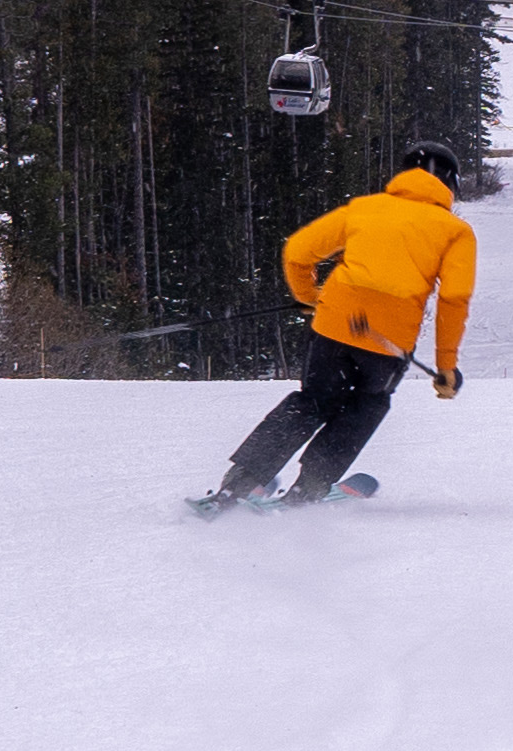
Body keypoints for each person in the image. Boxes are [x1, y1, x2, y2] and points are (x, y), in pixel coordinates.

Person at [197, 159, 476, 510]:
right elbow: (454, 298)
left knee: (310, 402)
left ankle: (235, 487)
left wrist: (310, 299)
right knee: (364, 408)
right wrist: (446, 366)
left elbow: (298, 252)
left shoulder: (365, 208)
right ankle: (307, 492)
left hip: (334, 325)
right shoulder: (456, 231)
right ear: (450, 184)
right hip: (387, 344)